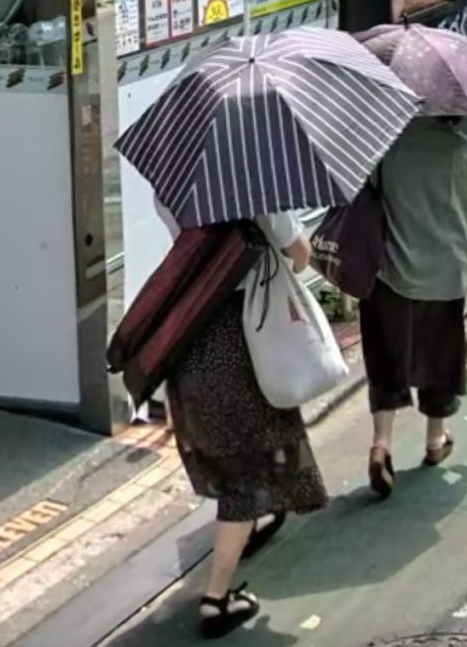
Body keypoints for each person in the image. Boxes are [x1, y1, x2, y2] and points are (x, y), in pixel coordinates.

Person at [170, 213, 326, 637]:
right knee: (247, 470)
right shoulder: (253, 188)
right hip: (243, 339)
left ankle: (258, 521)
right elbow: (300, 254)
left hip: (189, 331)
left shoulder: (169, 190)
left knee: (234, 452)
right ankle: (216, 599)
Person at [361, 113, 467, 501]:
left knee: (386, 359)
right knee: (440, 358)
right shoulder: (463, 151)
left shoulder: (386, 149)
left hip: (388, 276)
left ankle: (381, 444)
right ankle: (435, 440)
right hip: (443, 278)